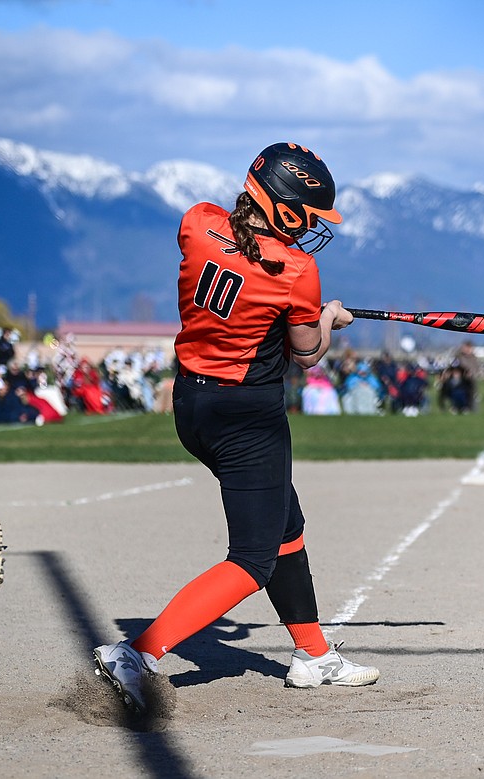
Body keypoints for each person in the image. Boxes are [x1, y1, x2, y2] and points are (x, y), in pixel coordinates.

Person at [93, 142, 378, 716]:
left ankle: (314, 655)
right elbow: (306, 355)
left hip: (193, 406)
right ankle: (138, 653)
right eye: (311, 216)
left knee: (284, 527)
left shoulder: (197, 222)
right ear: (285, 209)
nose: (314, 228)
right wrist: (328, 319)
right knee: (253, 558)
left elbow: (234, 255)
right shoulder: (297, 269)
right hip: (248, 416)